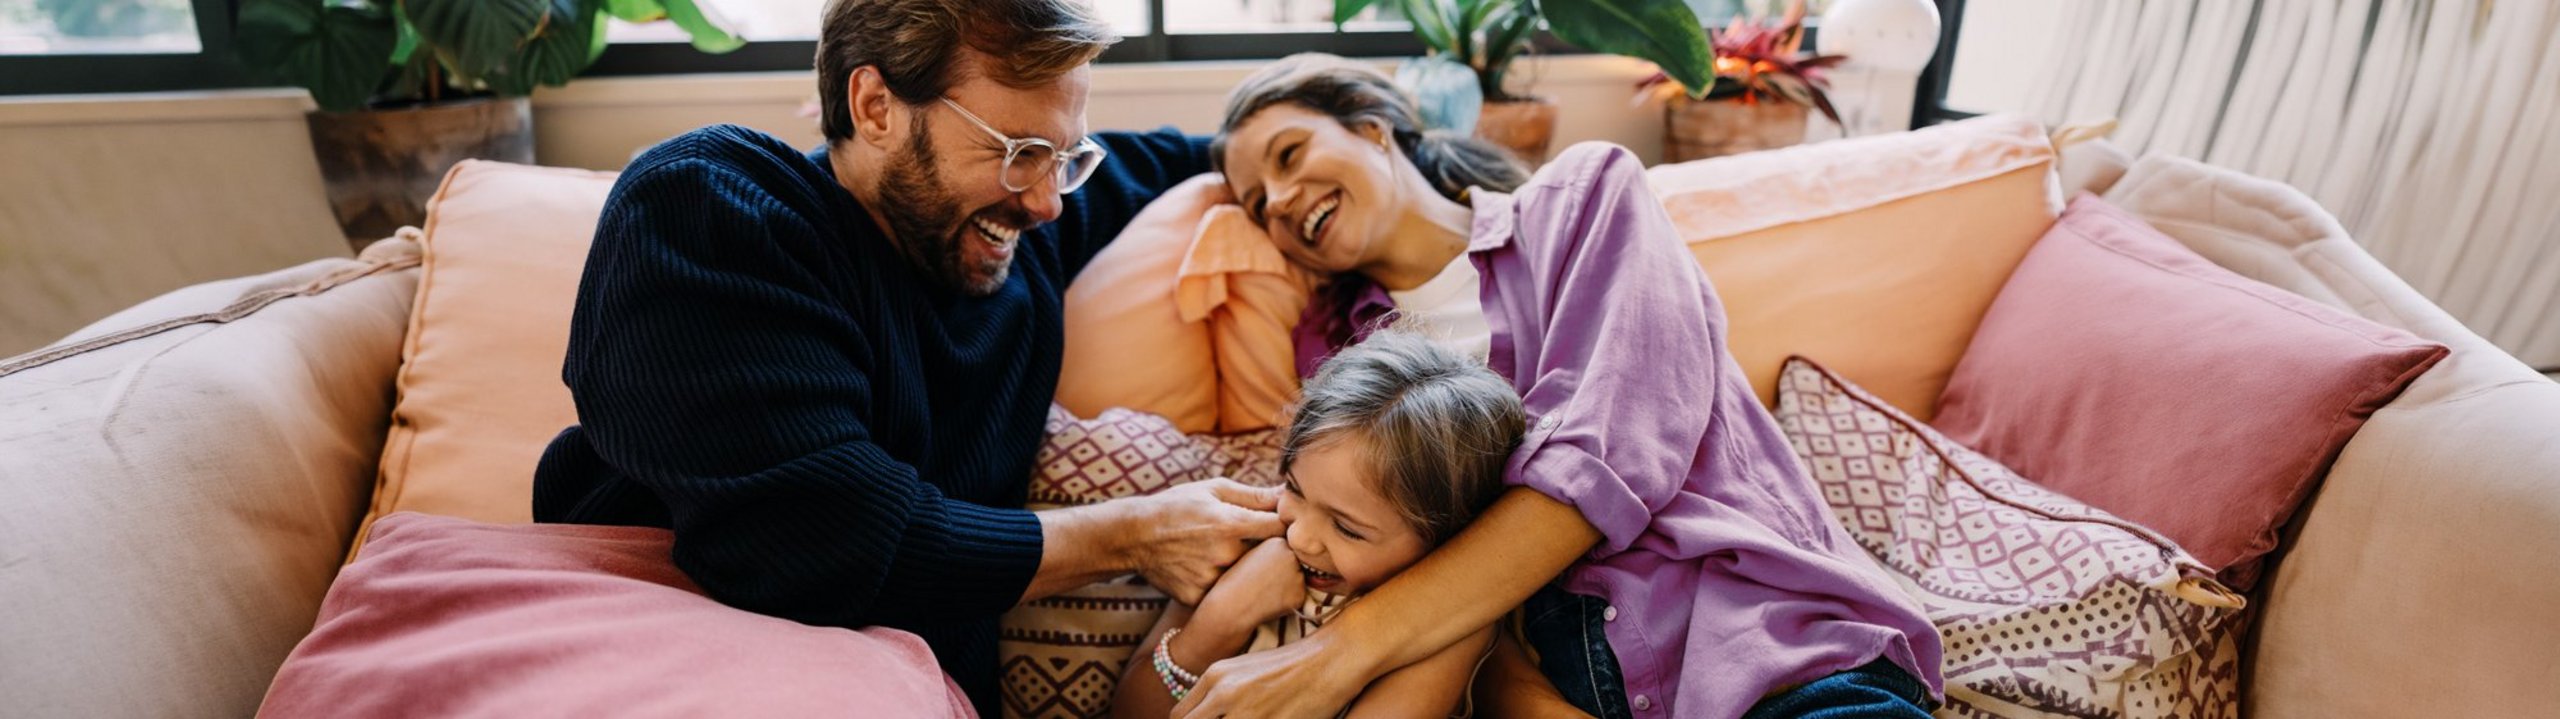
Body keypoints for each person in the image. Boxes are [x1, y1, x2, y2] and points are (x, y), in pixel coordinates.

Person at [526, 1, 1283, 713]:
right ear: (875, 107)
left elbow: (1251, 148)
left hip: (897, 686)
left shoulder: (1022, 234)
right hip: (645, 634)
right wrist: (1134, 533)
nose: (1048, 201)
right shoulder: (712, 205)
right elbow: (819, 538)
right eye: (1019, 152)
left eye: (1066, 157)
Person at [1171, 53, 1946, 719]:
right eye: (1256, 204)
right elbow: (1373, 554)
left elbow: (1606, 458)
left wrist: (1336, 654)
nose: (1280, 200)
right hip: (1555, 683)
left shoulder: (1582, 200)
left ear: (1373, 128)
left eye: (1289, 154)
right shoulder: (1337, 349)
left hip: (1764, 646)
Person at [1112, 330, 1525, 718]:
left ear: (1447, 539)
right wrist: (1218, 623)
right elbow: (1130, 711)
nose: (1300, 537)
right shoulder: (1240, 546)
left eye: (1347, 529)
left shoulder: (1444, 630)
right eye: (1294, 488)